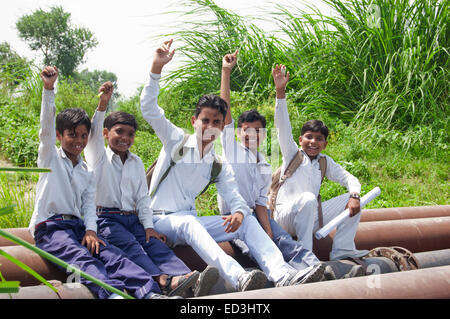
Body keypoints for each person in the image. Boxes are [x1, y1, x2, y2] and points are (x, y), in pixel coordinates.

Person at [140, 40, 312, 292]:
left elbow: (234, 195)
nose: (210, 126)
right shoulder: (175, 140)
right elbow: (149, 109)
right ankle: (238, 277)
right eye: (204, 120)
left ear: (222, 127)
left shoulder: (216, 164)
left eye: (216, 122)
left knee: (246, 220)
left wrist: (240, 213)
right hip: (160, 221)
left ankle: (282, 273)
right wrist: (156, 69)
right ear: (194, 121)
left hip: (190, 220)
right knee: (190, 223)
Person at [28, 66, 170, 299]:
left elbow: (87, 206)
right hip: (52, 229)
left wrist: (91, 231)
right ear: (59, 136)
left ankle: (150, 293)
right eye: (72, 135)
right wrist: (48, 89)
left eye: (84, 135)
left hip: (78, 227)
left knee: (111, 253)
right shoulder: (50, 157)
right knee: (81, 257)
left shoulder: (86, 171)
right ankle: (113, 295)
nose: (79, 141)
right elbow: (45, 128)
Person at [84, 82, 218, 297]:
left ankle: (184, 278)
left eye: (130, 134)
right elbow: (91, 138)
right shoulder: (98, 156)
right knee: (132, 247)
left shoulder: (135, 162)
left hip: (132, 218)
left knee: (154, 244)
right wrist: (102, 105)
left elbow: (142, 198)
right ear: (106, 133)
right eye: (119, 132)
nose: (125, 138)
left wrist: (148, 227)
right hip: (106, 219)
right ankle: (161, 281)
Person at [217, 51, 325, 282]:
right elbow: (224, 110)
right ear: (238, 131)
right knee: (255, 250)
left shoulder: (264, 164)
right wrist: (226, 72)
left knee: (284, 240)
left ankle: (318, 270)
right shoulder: (232, 150)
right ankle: (289, 277)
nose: (251, 134)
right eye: (246, 129)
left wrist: (268, 228)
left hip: (256, 216)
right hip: (233, 218)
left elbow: (259, 203)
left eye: (257, 130)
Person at [271, 64, 369, 261]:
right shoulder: (292, 154)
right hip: (285, 218)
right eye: (309, 137)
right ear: (300, 140)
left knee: (353, 201)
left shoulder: (324, 162)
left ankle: (342, 249)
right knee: (308, 198)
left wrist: (355, 195)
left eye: (318, 139)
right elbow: (282, 126)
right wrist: (280, 91)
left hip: (310, 217)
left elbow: (349, 178)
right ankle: (304, 255)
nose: (313, 142)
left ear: (324, 144)